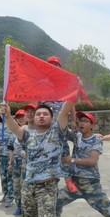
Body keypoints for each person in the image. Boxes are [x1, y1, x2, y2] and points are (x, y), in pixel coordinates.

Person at [0, 101, 74, 217]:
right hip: (28, 186)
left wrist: (72, 94)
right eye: (39, 113)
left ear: (51, 118)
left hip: (47, 187)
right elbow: (15, 130)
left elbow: (64, 112)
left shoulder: (57, 132)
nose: (41, 116)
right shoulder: (27, 133)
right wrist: (7, 116)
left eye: (45, 114)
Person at [56, 111, 110, 217]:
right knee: (55, 202)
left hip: (91, 184)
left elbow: (91, 161)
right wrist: (68, 112)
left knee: (108, 209)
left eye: (85, 121)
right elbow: (62, 128)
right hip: (74, 183)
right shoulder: (76, 136)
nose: (81, 123)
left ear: (92, 126)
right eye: (80, 120)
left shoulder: (96, 140)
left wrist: (71, 160)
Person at [40, 55, 77, 193]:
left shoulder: (65, 86)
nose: (54, 67)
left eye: (56, 65)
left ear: (60, 68)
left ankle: (68, 180)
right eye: (51, 65)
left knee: (65, 152)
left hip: (60, 125)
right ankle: (48, 179)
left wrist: (73, 119)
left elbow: (71, 104)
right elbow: (37, 105)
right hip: (46, 127)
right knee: (46, 152)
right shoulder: (41, 85)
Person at [0, 115, 14, 208]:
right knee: (3, 177)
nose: (2, 113)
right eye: (1, 111)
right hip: (1, 155)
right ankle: (5, 194)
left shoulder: (12, 125)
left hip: (10, 155)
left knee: (10, 177)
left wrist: (12, 159)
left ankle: (10, 197)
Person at [8, 109, 27, 216]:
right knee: (16, 185)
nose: (20, 119)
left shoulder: (31, 130)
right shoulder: (13, 133)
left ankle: (26, 207)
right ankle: (19, 206)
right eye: (18, 117)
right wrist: (10, 163)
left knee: (25, 186)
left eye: (22, 116)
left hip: (27, 164)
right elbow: (11, 149)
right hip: (16, 164)